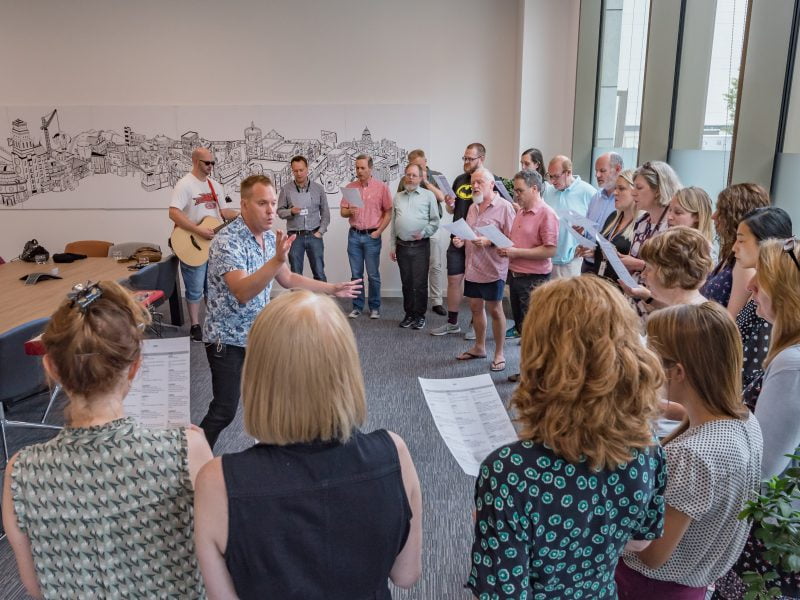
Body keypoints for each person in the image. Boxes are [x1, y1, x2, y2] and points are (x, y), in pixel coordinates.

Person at [194, 290, 423, 599]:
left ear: (258, 374)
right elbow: (406, 575)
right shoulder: (393, 453)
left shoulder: (216, 481)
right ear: (346, 369)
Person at [2, 280, 214, 599]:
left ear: (50, 367)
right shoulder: (186, 449)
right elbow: (219, 561)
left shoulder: (20, 473)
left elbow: (35, 587)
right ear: (135, 367)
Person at [467, 276, 667, 599]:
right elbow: (641, 541)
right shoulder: (647, 447)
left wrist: (493, 521)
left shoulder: (509, 472)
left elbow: (501, 593)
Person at [200, 174, 361, 449]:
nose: (271, 210)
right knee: (224, 410)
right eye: (263, 203)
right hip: (226, 340)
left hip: (259, 335)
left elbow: (288, 279)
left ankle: (273, 459)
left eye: (273, 203)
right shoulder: (227, 241)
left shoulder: (265, 237)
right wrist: (276, 260)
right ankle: (190, 459)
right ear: (244, 205)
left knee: (270, 401)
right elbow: (242, 291)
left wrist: (332, 288)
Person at [617, 302, 763, 600]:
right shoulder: (744, 419)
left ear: (678, 372)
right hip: (693, 582)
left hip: (651, 587)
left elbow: (652, 554)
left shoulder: (693, 457)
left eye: (651, 356)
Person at [713, 230, 800, 600]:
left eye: (761, 279)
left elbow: (761, 467)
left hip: (772, 529)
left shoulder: (792, 363)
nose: (752, 289)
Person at [433, 142, 504, 338]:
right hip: (458, 235)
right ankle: (452, 323)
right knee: (454, 279)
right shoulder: (459, 180)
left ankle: (476, 325)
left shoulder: (492, 181)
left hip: (480, 240)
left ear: (481, 159)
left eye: (469, 158)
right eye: (464, 158)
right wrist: (449, 204)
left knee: (478, 283)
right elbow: (452, 209)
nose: (465, 162)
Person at [169, 147, 238, 342]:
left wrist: (242, 213)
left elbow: (223, 212)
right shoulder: (184, 185)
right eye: (207, 163)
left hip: (213, 246)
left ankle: (213, 320)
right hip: (193, 243)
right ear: (195, 161)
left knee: (213, 287)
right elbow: (173, 213)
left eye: (213, 163)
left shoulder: (215, 186)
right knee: (195, 288)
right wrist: (198, 230)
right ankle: (195, 325)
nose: (211, 166)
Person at [452, 168, 516, 372]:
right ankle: (479, 347)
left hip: (493, 268)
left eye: (479, 182)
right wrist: (460, 239)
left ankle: (499, 353)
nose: (475, 186)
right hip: (472, 266)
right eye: (472, 183)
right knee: (475, 308)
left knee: (495, 310)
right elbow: (470, 233)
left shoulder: (505, 208)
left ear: (492, 184)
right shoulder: (473, 207)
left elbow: (513, 241)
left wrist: (489, 241)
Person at [497, 169, 557, 381]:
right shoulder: (520, 212)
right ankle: (527, 371)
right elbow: (518, 242)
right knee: (524, 329)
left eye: (520, 190)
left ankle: (536, 375)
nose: (516, 194)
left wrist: (515, 252)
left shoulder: (546, 214)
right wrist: (505, 247)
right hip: (516, 276)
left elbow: (550, 250)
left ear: (534, 189)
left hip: (534, 280)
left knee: (534, 332)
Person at [732, 207, 793, 391]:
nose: (734, 246)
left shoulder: (772, 302)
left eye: (741, 240)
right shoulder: (757, 289)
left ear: (766, 242)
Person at [700, 183, 770, 318]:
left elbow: (732, 320)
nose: (714, 216)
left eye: (721, 210)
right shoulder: (731, 254)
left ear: (734, 215)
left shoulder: (743, 264)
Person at [340, 154, 392, 319]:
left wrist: (379, 231)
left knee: (373, 274)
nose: (359, 171)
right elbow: (343, 212)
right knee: (356, 274)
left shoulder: (381, 187)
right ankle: (357, 306)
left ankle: (375, 307)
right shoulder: (350, 188)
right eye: (357, 168)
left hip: (372, 236)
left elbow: (389, 212)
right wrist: (350, 211)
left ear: (371, 169)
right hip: (354, 236)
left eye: (362, 168)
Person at [390, 163, 440, 330]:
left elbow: (435, 221)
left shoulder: (428, 196)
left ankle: (419, 315)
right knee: (406, 282)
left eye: (414, 175)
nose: (410, 178)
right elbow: (393, 224)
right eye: (408, 174)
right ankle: (409, 314)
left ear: (420, 178)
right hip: (402, 246)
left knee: (419, 283)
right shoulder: (397, 197)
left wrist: (424, 232)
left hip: (420, 246)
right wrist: (392, 246)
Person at [399, 149, 447, 316]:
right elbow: (401, 200)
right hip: (413, 232)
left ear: (425, 161)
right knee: (414, 271)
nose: (416, 169)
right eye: (413, 166)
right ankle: (416, 304)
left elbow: (442, 198)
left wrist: (425, 181)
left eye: (420, 165)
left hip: (431, 228)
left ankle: (436, 301)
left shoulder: (436, 176)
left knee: (435, 265)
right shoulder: (405, 179)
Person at [620, 226, 713, 312]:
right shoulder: (691, 310)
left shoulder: (691, 325)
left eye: (649, 268)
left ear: (671, 272)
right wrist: (646, 296)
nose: (643, 274)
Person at [619, 161, 682, 278]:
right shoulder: (642, 221)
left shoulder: (673, 224)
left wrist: (639, 265)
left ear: (658, 190)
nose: (633, 193)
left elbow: (675, 270)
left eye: (639, 188)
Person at [580, 169, 639, 285]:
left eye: (621, 189)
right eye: (616, 188)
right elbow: (606, 247)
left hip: (623, 289)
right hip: (601, 282)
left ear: (635, 192)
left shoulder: (640, 225)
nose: (615, 193)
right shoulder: (613, 217)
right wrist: (594, 252)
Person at [277, 154, 330, 281]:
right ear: (292, 170)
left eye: (301, 170)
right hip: (295, 237)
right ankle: (298, 301)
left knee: (319, 273)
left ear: (307, 169)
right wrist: (291, 211)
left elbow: (325, 213)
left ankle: (322, 301)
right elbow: (279, 211)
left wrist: (320, 232)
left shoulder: (318, 189)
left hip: (314, 234)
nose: (299, 173)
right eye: (295, 171)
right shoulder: (286, 189)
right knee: (295, 275)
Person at [543, 154, 596, 278]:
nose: (552, 181)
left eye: (556, 176)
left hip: (573, 261)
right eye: (550, 176)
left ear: (568, 172)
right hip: (547, 259)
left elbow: (599, 226)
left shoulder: (589, 192)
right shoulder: (548, 192)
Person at [581, 152, 624, 273]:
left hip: (609, 268)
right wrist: (582, 234)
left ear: (617, 169)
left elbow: (624, 242)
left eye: (602, 170)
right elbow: (590, 230)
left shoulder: (624, 202)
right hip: (587, 264)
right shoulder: (595, 197)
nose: (597, 175)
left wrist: (598, 252)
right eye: (596, 171)